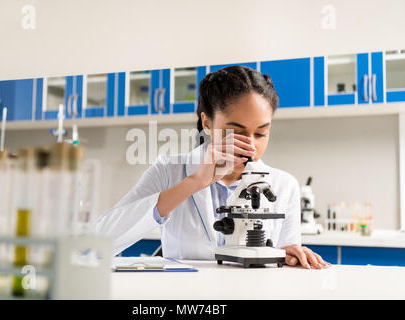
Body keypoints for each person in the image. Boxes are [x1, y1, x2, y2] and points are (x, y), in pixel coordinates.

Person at [95, 65, 330, 269]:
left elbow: (282, 260)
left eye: (261, 133)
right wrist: (194, 182)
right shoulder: (169, 170)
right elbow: (98, 243)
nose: (249, 145)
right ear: (207, 122)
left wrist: (289, 256)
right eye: (236, 132)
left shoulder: (284, 184)